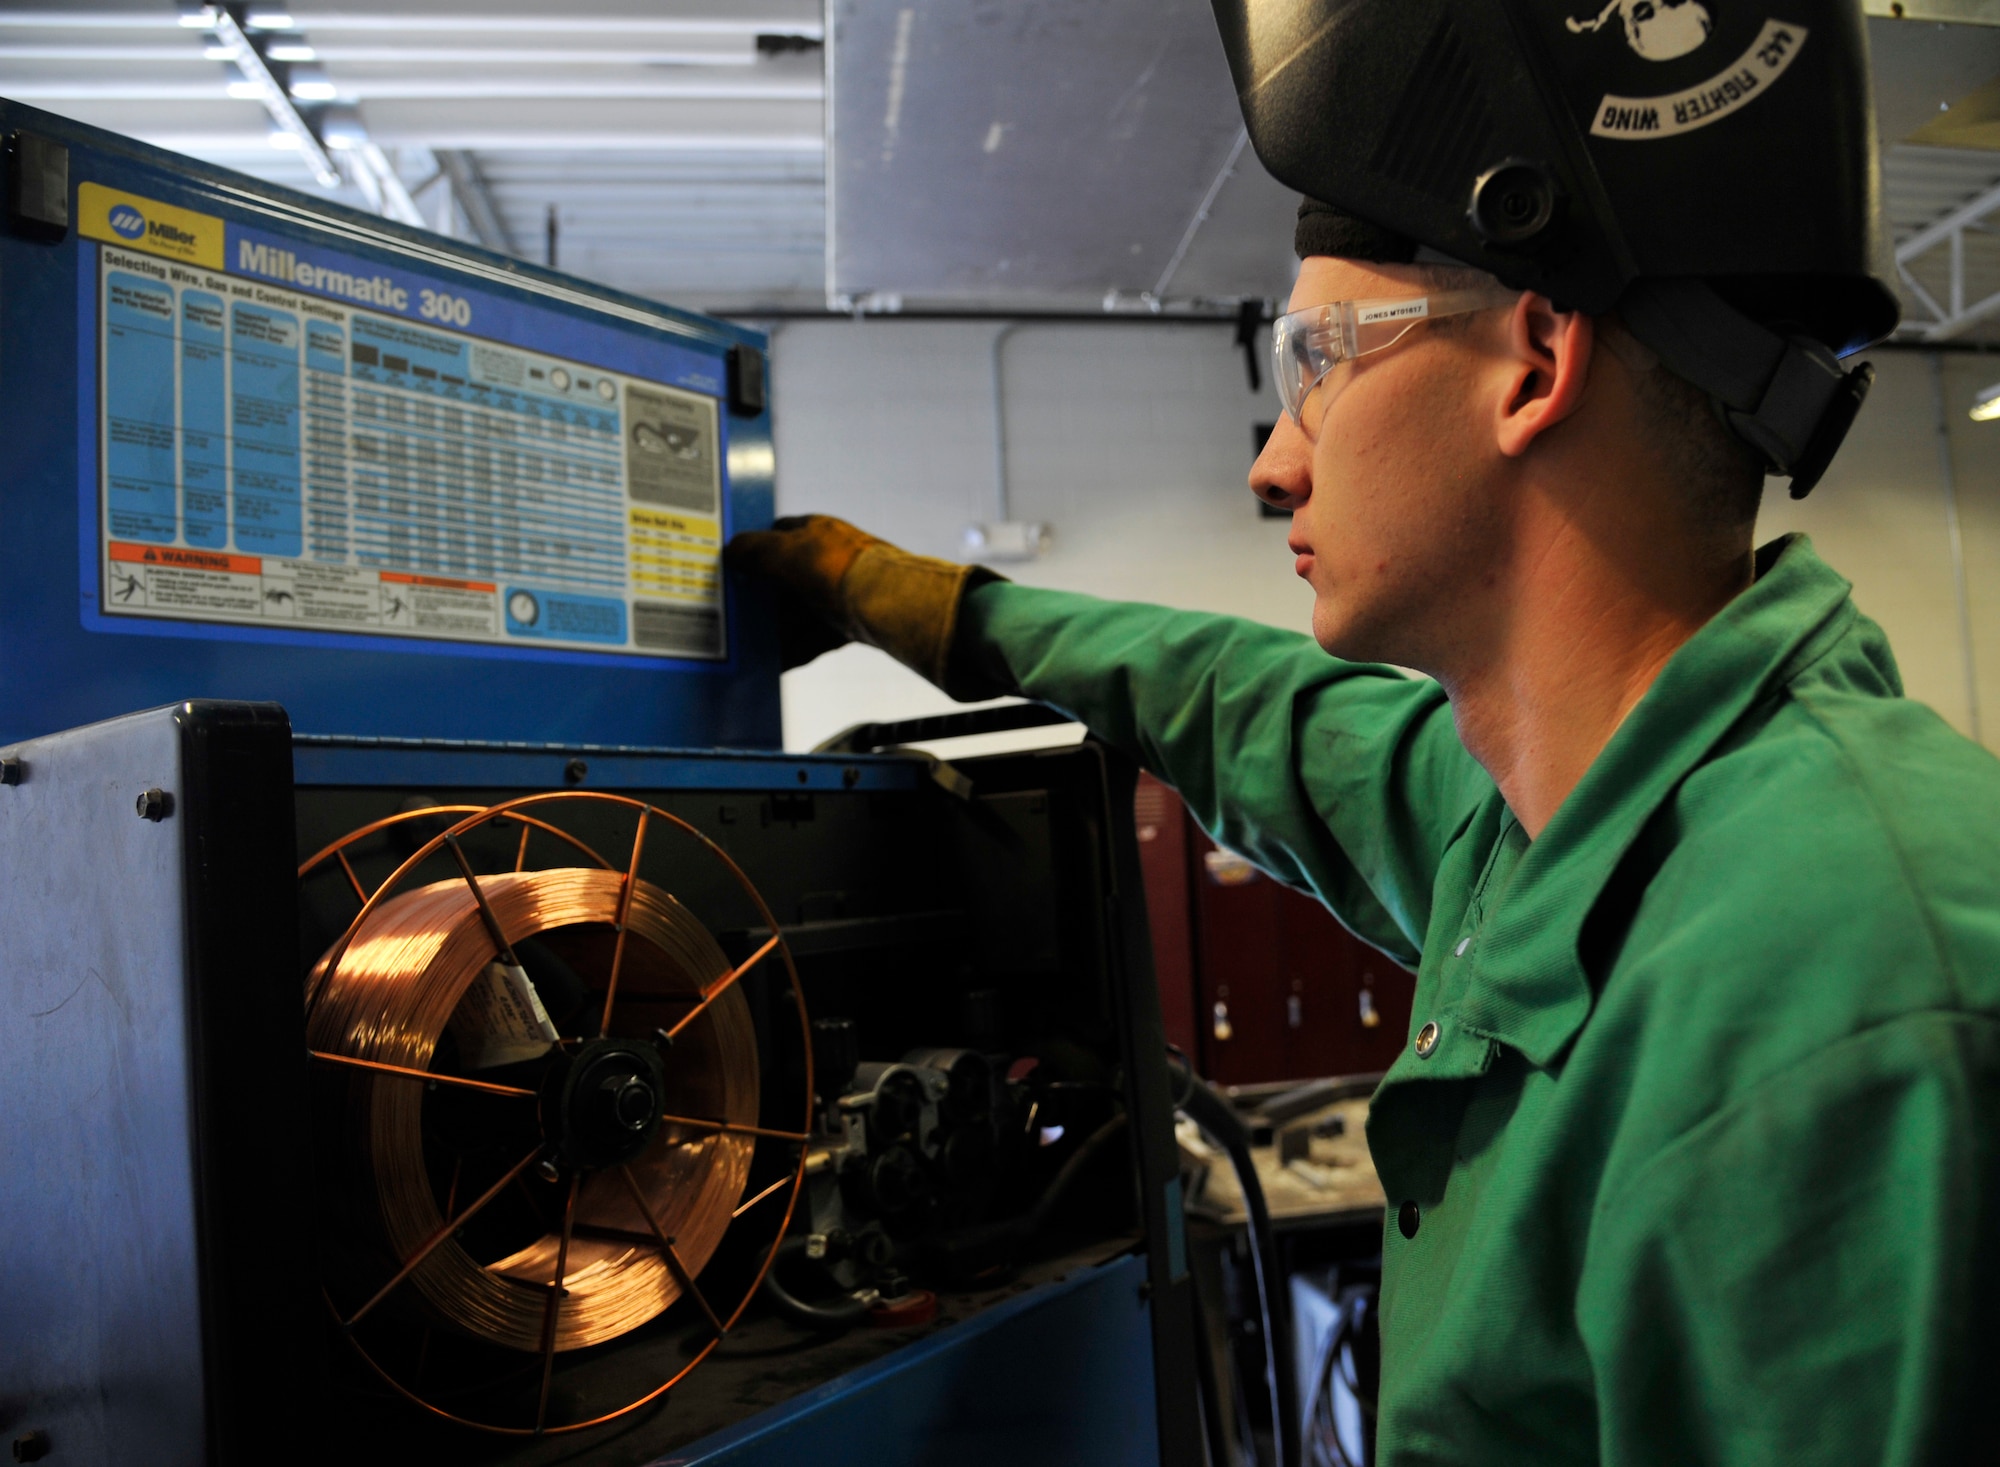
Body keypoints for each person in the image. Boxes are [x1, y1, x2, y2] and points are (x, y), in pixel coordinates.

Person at [728, 2, 2000, 1460]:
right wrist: (945, 611)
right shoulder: (1541, 813)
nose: (1276, 462)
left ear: (1533, 362)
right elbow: (1246, 708)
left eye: (1317, 358)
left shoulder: (1851, 998)